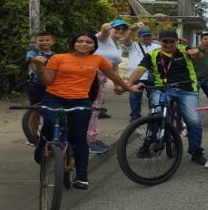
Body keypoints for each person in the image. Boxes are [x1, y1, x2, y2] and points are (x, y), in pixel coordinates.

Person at [31, 32, 138, 189]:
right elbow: (47, 80)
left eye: (88, 42)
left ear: (94, 46)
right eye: (80, 41)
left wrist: (127, 87)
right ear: (74, 43)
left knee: (79, 138)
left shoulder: (98, 60)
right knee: (50, 121)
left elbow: (114, 76)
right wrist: (40, 68)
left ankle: (81, 176)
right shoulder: (58, 58)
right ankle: (43, 143)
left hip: (80, 99)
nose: (83, 44)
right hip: (54, 98)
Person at [126, 30, 208, 165]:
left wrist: (196, 52)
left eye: (171, 41)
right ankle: (149, 142)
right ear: (159, 41)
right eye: (165, 41)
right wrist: (128, 85)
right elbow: (140, 69)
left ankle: (196, 152)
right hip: (162, 89)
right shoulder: (152, 54)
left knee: (194, 121)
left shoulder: (184, 50)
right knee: (154, 115)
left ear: (176, 41)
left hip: (186, 89)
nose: (168, 44)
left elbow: (198, 55)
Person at [89, 18, 128, 153]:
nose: (120, 31)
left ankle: (92, 138)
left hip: (101, 80)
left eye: (123, 29)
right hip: (90, 79)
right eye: (117, 28)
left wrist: (117, 85)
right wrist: (106, 27)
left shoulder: (117, 45)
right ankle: (88, 141)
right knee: (92, 110)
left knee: (96, 109)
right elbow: (103, 33)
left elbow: (115, 66)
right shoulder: (102, 39)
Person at [124, 24, 160, 123]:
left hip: (151, 77)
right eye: (144, 36)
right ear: (139, 37)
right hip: (136, 76)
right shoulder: (133, 45)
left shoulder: (157, 46)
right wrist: (131, 30)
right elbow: (126, 40)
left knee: (153, 98)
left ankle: (153, 115)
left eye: (148, 35)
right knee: (134, 97)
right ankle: (135, 117)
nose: (147, 37)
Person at [24, 32, 55, 144]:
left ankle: (48, 136)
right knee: (35, 112)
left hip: (51, 86)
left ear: (52, 42)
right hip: (36, 86)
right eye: (41, 40)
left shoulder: (55, 55)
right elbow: (34, 65)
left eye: (47, 40)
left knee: (50, 112)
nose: (44, 42)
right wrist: (40, 67)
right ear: (36, 42)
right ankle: (32, 136)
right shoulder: (32, 53)